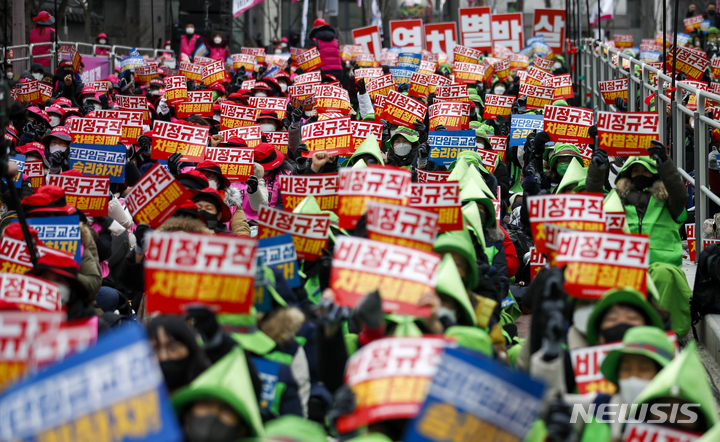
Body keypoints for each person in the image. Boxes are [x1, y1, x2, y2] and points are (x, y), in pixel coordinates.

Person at [147, 315, 211, 393]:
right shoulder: (135, 398)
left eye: (173, 349)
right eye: (154, 350)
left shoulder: (207, 394)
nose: (163, 357)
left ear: (190, 348)